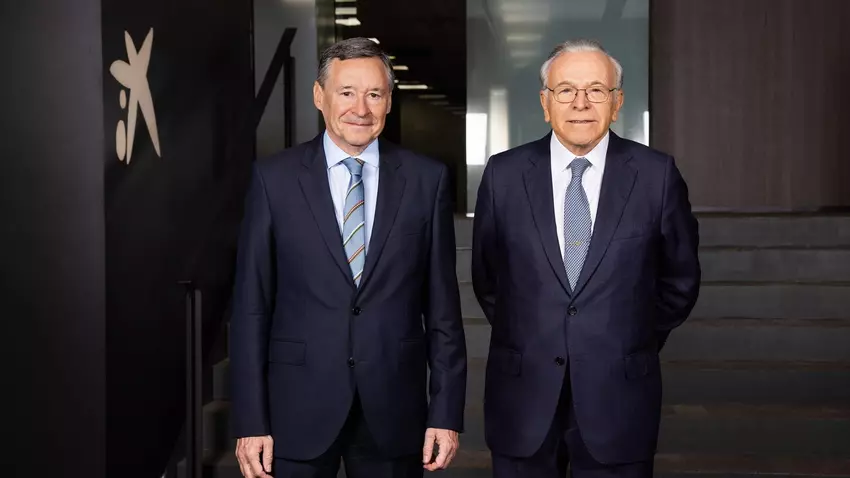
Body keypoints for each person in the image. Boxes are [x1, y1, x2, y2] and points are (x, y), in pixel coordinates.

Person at [230, 37, 467, 478]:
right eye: (347, 92)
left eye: (374, 94)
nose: (361, 108)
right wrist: (250, 419)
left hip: (394, 407)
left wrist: (446, 413)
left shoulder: (426, 180)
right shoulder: (273, 179)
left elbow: (443, 312)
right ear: (319, 96)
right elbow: (250, 308)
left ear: (389, 101)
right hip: (295, 407)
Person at [471, 38, 701, 478]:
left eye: (596, 90)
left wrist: (629, 336)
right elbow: (488, 278)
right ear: (545, 103)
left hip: (619, 396)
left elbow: (680, 279)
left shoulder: (656, 175)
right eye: (566, 90)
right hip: (523, 394)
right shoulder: (503, 175)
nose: (580, 103)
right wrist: (535, 332)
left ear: (617, 103)